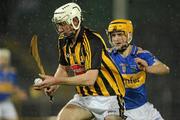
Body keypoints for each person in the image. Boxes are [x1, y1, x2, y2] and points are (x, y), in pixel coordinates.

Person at [33, 2, 126, 120]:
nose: (59, 29)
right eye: (58, 25)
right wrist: (54, 85)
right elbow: (63, 67)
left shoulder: (92, 40)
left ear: (75, 22)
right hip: (84, 98)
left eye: (62, 24)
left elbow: (89, 79)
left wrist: (55, 80)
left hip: (109, 97)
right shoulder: (63, 40)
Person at [107, 19, 170, 120]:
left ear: (129, 35)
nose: (116, 39)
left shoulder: (141, 54)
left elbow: (165, 69)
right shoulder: (107, 57)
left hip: (144, 109)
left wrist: (147, 69)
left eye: (120, 34)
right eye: (113, 35)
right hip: (120, 111)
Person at [0, 48, 27, 120]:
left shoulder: (12, 73)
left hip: (6, 101)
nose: (3, 60)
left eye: (5, 58)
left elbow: (13, 86)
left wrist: (20, 93)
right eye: (1, 58)